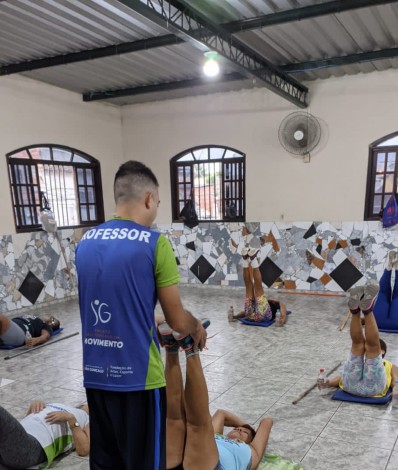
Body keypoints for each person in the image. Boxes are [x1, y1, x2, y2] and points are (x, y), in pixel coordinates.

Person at [75, 160, 207, 470]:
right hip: (139, 381)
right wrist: (195, 325)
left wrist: (152, 321)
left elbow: (119, 305)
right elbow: (177, 320)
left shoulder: (85, 243)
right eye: (158, 203)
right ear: (148, 198)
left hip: (95, 376)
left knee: (107, 462)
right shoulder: (153, 244)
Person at [158, 319, 273, 470]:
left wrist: (251, 431)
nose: (239, 429)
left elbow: (267, 422)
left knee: (196, 425)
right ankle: (171, 346)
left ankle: (190, 347)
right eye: (237, 428)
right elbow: (221, 414)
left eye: (244, 433)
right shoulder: (216, 437)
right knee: (175, 419)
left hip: (208, 464)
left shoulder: (252, 453)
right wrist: (248, 428)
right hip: (200, 458)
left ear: (250, 441)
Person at [318, 283, 398, 397]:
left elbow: (396, 381)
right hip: (372, 388)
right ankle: (366, 310)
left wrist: (329, 383)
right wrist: (328, 383)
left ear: (383, 351)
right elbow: (396, 381)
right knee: (366, 346)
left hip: (349, 385)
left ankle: (355, 312)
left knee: (357, 344)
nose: (366, 349)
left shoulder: (389, 364)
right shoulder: (380, 364)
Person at [0, 399, 89, 469]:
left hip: (33, 447)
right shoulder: (62, 406)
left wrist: (71, 419)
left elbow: (83, 450)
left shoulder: (87, 419)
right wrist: (31, 411)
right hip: (20, 437)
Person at [230, 246, 288, 325]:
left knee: (253, 286)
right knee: (251, 286)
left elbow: (283, 311)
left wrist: (236, 316)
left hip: (254, 314)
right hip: (256, 315)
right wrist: (235, 316)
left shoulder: (277, 303)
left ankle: (248, 259)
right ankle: (248, 259)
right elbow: (245, 313)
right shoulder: (271, 303)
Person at [372, 250, 398, 330]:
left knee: (383, 292)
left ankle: (388, 268)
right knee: (396, 296)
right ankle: (395, 267)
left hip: (377, 323)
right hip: (394, 324)